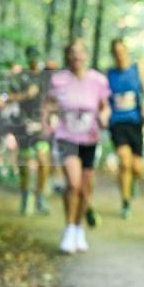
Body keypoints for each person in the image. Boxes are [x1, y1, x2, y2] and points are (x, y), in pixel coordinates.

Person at [43, 41, 111, 254]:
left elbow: (104, 107)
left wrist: (104, 117)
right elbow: (48, 104)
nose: (77, 57)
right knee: (73, 184)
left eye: (80, 53)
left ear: (86, 55)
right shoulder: (59, 80)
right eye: (72, 53)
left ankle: (78, 228)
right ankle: (69, 229)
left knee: (84, 188)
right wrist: (46, 123)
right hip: (66, 137)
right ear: (67, 56)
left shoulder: (98, 80)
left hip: (90, 139)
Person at [106, 38, 144, 219]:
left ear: (126, 51)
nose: (119, 55)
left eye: (121, 51)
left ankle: (132, 183)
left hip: (135, 123)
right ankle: (125, 202)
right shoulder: (109, 75)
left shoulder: (137, 69)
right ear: (113, 54)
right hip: (117, 123)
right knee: (124, 162)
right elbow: (104, 99)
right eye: (116, 53)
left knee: (137, 168)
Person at [8, 46, 52, 215]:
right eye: (31, 57)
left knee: (43, 160)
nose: (34, 60)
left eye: (36, 57)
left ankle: (40, 197)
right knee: (25, 164)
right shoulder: (20, 77)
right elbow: (7, 96)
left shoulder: (44, 77)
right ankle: (25, 197)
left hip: (39, 127)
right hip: (23, 126)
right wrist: (26, 95)